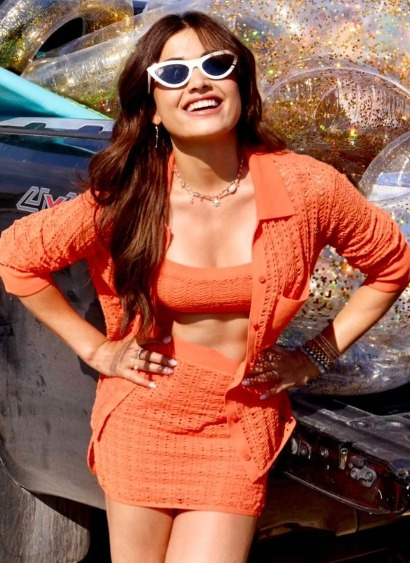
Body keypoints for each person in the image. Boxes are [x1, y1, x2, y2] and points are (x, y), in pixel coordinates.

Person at [0, 10, 409, 563]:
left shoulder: (306, 186)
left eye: (216, 65)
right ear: (152, 109)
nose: (197, 82)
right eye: (173, 74)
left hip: (238, 422)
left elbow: (391, 264)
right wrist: (96, 349)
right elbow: (17, 258)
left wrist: (314, 356)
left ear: (241, 85)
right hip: (143, 416)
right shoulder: (130, 195)